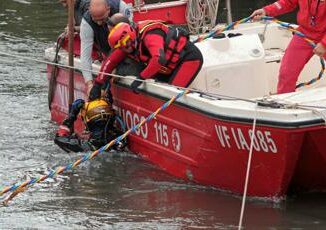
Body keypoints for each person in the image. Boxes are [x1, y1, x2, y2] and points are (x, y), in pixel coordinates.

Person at [91, 21, 203, 93]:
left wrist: (141, 78)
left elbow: (159, 59)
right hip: (168, 68)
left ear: (131, 35)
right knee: (163, 90)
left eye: (127, 41)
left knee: (172, 93)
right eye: (123, 46)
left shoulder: (150, 35)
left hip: (188, 58)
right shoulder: (126, 46)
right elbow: (110, 61)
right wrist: (97, 84)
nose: (128, 47)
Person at [251, 0, 326, 94]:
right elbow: (288, 2)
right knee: (286, 73)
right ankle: (285, 104)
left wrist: (324, 43)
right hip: (304, 33)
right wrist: (266, 10)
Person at [80, 0, 133, 95]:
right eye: (96, 20)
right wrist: (89, 83)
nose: (100, 23)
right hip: (106, 49)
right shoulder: (86, 22)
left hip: (125, 46)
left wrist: (119, 67)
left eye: (102, 19)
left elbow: (131, 39)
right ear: (89, 10)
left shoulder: (122, 8)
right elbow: (85, 55)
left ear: (108, 9)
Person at [54, 86, 126, 152]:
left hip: (92, 148)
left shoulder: (87, 146)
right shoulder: (119, 138)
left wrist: (69, 119)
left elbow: (59, 139)